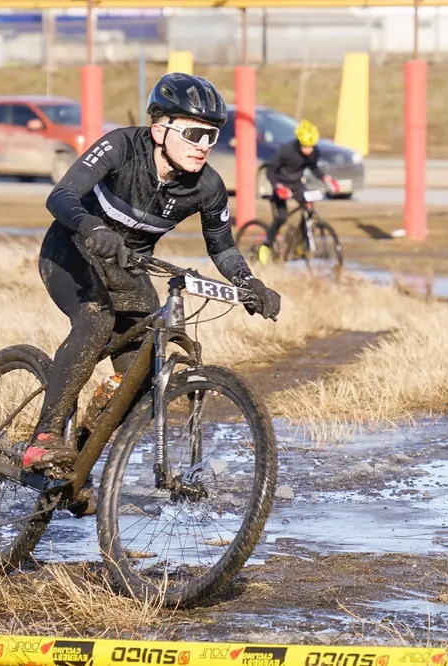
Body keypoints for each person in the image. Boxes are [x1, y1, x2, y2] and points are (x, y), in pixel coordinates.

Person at [24, 72, 282, 474]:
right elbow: (61, 196)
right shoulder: (121, 146)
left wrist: (250, 284)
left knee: (140, 376)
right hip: (70, 251)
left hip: (130, 269)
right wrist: (93, 227)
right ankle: (44, 439)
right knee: (96, 322)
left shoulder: (207, 186)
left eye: (212, 137)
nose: (204, 146)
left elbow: (223, 246)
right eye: (194, 135)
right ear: (160, 129)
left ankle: (73, 464)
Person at [258, 119, 341, 265]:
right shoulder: (286, 150)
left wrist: (326, 178)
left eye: (311, 147)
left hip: (297, 184)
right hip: (281, 183)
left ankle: (300, 244)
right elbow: (270, 171)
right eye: (305, 147)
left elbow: (313, 167)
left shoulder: (314, 152)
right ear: (298, 142)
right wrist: (278, 186)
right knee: (281, 217)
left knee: (308, 210)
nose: (308, 150)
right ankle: (266, 245)